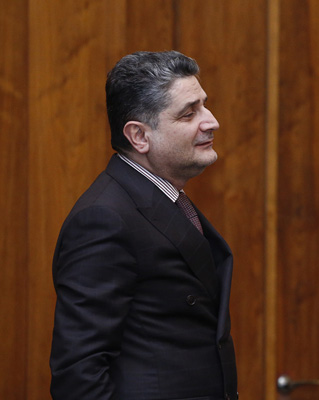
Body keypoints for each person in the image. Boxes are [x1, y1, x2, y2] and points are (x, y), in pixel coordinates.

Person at [50, 51, 237, 400]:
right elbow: (79, 374)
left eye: (204, 105)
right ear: (139, 136)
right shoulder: (103, 219)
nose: (212, 121)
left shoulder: (163, 198)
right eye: (189, 113)